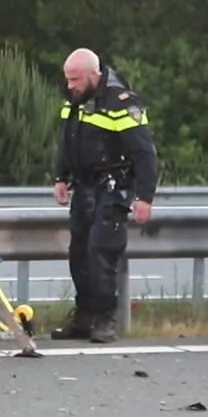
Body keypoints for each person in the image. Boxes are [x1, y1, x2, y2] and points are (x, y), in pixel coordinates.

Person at [50, 48, 158, 343]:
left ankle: (104, 320)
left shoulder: (120, 102)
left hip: (113, 188)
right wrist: (62, 176)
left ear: (93, 74)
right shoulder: (77, 99)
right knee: (79, 255)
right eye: (67, 79)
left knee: (101, 252)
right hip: (84, 187)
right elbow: (68, 138)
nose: (69, 85)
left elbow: (144, 153)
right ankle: (84, 317)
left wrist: (145, 197)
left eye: (74, 79)